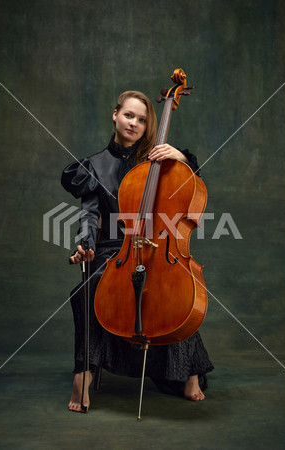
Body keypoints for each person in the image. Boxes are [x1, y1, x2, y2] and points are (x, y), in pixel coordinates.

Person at [61, 90, 214, 413]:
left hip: (157, 247)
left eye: (143, 120)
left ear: (148, 127)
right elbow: (90, 213)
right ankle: (84, 371)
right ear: (115, 115)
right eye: (129, 115)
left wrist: (181, 159)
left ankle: (189, 371)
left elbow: (188, 187)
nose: (134, 123)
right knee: (87, 290)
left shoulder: (159, 161)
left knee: (172, 290)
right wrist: (85, 244)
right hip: (113, 250)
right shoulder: (94, 166)